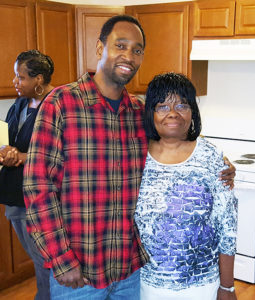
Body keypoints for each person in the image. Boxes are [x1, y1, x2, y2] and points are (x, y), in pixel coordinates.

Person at [23, 15, 235, 300]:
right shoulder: (61, 104)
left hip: (129, 271)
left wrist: (217, 162)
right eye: (120, 45)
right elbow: (38, 187)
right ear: (100, 48)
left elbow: (174, 141)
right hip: (79, 273)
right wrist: (60, 258)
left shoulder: (139, 112)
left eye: (137, 50)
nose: (129, 56)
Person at [134, 72, 237, 300]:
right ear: (151, 112)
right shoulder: (135, 155)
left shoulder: (211, 158)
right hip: (142, 285)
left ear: (193, 112)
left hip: (201, 287)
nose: (173, 113)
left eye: (182, 104)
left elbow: (227, 228)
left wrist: (227, 287)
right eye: (162, 106)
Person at [0, 50, 55, 300]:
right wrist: (5, 149)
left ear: (39, 80)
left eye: (20, 77)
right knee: (37, 259)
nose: (15, 82)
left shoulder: (56, 106)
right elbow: (7, 137)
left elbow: (60, 155)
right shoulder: (20, 102)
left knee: (46, 261)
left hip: (39, 199)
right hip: (14, 194)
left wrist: (20, 157)